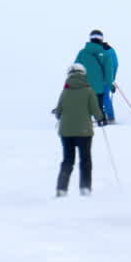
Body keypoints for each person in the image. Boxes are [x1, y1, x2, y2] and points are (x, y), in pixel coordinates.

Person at [53, 63, 103, 197]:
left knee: (67, 160)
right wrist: (100, 119)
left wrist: (59, 113)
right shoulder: (89, 90)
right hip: (84, 132)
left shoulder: (65, 91)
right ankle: (85, 187)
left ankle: (61, 188)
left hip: (66, 132)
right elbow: (96, 111)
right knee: (85, 159)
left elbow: (58, 112)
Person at [75, 30, 111, 122]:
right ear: (101, 39)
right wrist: (110, 85)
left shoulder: (82, 53)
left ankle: (84, 124)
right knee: (99, 108)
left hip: (85, 87)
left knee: (85, 108)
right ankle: (102, 122)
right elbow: (108, 72)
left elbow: (76, 69)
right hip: (99, 87)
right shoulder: (105, 53)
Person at [101, 38, 119, 123]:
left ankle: (103, 117)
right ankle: (111, 117)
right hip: (109, 78)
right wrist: (112, 79)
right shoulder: (112, 51)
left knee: (101, 97)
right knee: (106, 97)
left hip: (101, 78)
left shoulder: (102, 52)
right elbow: (116, 65)